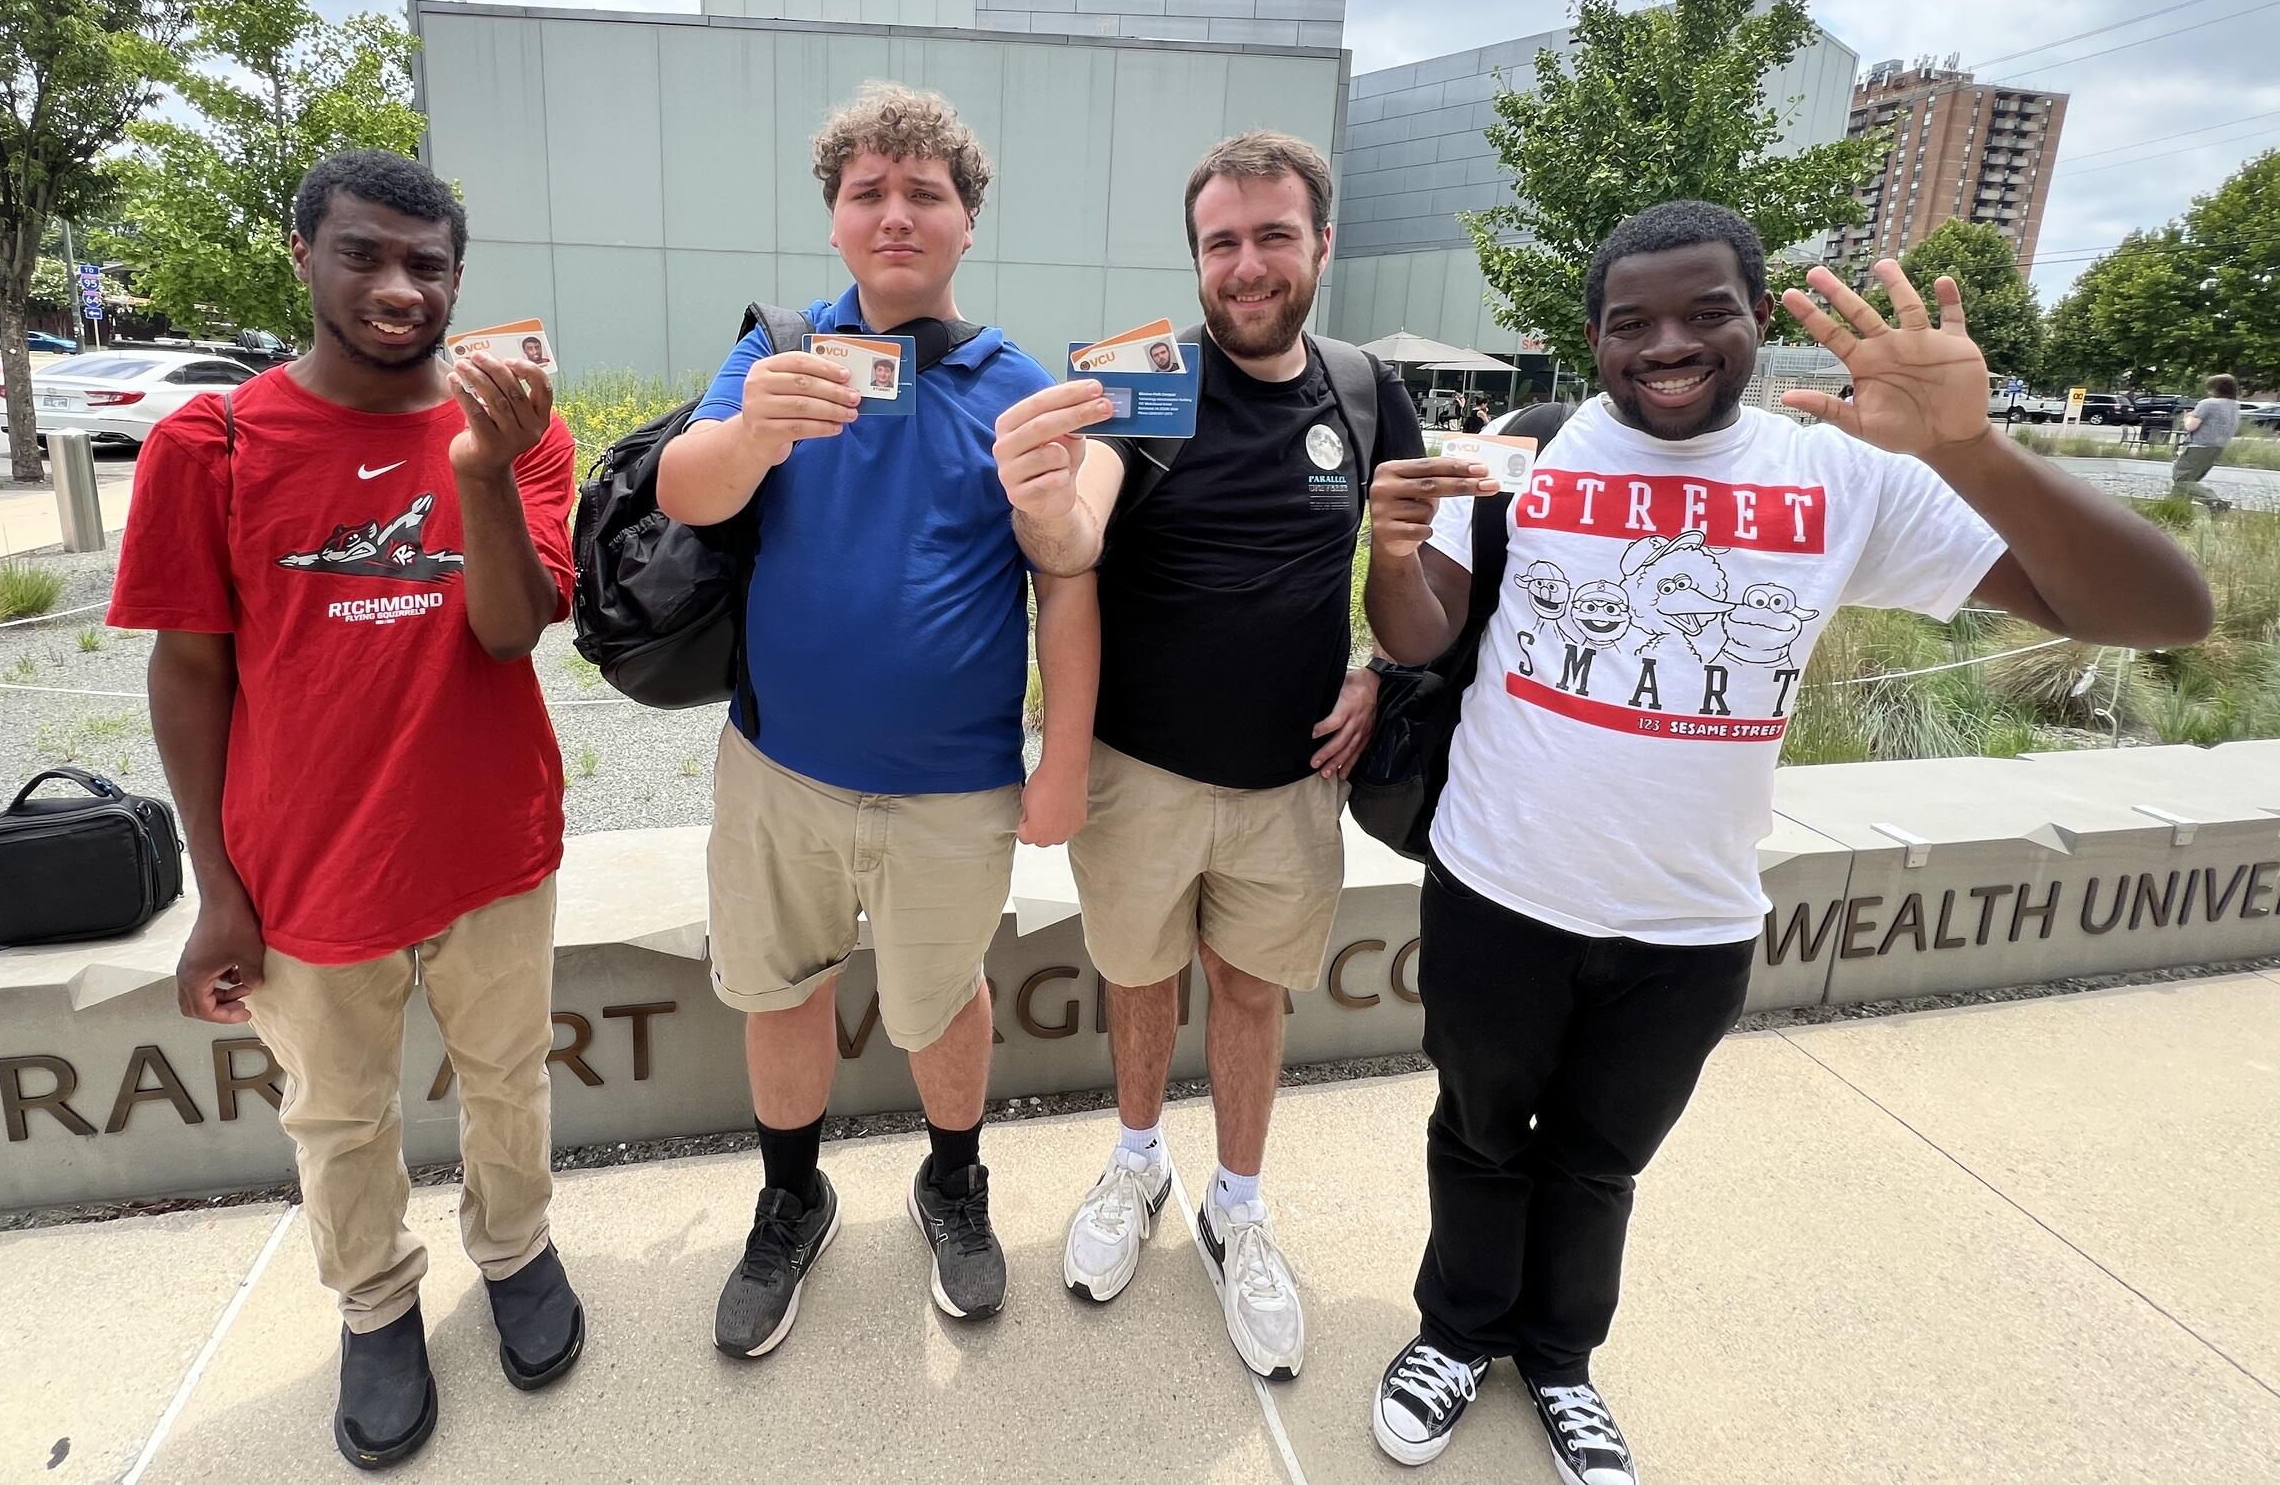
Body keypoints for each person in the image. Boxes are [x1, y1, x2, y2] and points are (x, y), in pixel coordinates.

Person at [1358, 200, 2211, 1479]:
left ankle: (1559, 1361)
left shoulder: (1839, 479)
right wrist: (1394, 552)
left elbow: (2165, 613)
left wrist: (1971, 452)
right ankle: (1454, 1331)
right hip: (1498, 883)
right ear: (1591, 338)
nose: (1667, 344)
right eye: (1630, 322)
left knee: (1600, 1163)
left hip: (1691, 917)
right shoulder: (1526, 457)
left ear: (1759, 321)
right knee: (1477, 1131)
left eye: (1705, 313)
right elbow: (1424, 636)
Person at [114, 149, 587, 1471]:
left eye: (425, 264)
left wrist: (486, 466)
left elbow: (508, 631)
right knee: (337, 1111)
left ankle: (515, 1249)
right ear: (302, 252)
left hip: (492, 840)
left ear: (457, 279)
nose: (397, 286)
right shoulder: (204, 443)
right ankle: (376, 1301)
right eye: (365, 253)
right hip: (304, 861)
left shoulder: (525, 429)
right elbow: (191, 668)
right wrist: (216, 886)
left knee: (507, 1075)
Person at [657, 82, 1098, 1358]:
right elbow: (687, 492)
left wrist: (1056, 762)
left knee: (942, 998)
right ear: (836, 222)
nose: (896, 214)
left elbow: (1064, 574)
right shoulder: (779, 350)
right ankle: (791, 1195)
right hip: (778, 766)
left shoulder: (1014, 384)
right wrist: (752, 436)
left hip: (954, 786)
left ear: (967, 223)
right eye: (869, 194)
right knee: (778, 993)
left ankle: (950, 1177)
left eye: (925, 194)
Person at [992, 129, 1420, 1382]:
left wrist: (1385, 670)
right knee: (1137, 979)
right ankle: (1136, 1164)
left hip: (1291, 781)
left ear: (1319, 248)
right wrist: (1043, 506)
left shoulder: (1357, 386)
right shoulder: (1146, 378)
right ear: (1195, 256)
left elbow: (1416, 563)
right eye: (1221, 241)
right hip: (1141, 772)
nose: (1245, 264)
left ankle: (1238, 1200)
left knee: (1248, 991)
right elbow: (1081, 525)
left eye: (1272, 236)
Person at [2172, 373, 2240, 509]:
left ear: (2214, 388)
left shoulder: (2207, 403)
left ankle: (2215, 501)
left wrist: (2188, 417)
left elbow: (2191, 426)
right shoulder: (2234, 405)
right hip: (2218, 446)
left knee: (2182, 479)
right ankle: (2174, 508)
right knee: (2191, 481)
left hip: (2199, 445)